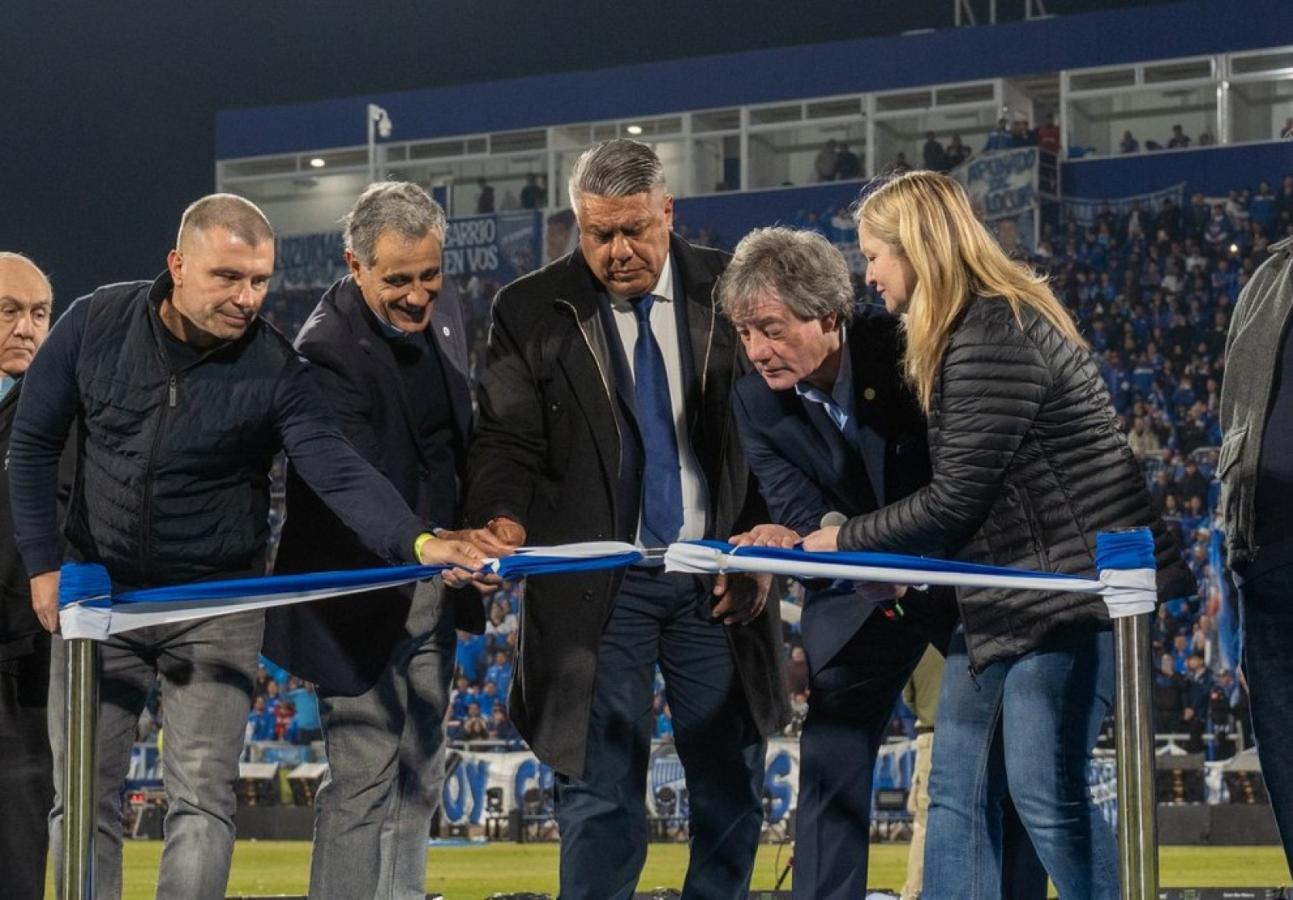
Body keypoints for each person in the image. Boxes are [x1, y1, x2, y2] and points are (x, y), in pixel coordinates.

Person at [9, 194, 483, 900]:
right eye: (228, 277)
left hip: (216, 601)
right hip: (101, 594)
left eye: (260, 280)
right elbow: (33, 443)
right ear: (178, 265)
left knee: (202, 801)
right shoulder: (95, 322)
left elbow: (335, 464)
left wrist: (414, 539)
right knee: (82, 799)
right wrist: (44, 566)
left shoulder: (277, 367)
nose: (247, 297)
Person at [802, 171, 1189, 898]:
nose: (868, 276)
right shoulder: (973, 327)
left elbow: (955, 500)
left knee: (1045, 794)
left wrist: (846, 538)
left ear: (917, 247)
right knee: (956, 792)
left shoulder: (989, 331)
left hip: (1062, 599)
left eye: (874, 255)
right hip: (1005, 600)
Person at [465, 139, 787, 899]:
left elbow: (779, 427)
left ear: (667, 212)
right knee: (600, 796)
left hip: (716, 576)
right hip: (597, 585)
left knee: (730, 785)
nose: (616, 252)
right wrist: (502, 519)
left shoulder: (731, 289)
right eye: (597, 233)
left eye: (633, 230)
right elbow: (506, 441)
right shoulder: (528, 309)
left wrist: (764, 548)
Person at [261, 181, 491, 900]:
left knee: (421, 773)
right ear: (354, 265)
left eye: (431, 275)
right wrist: (432, 543)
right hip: (361, 593)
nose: (419, 297)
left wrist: (478, 533)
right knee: (362, 782)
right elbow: (355, 484)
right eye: (398, 281)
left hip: (434, 587)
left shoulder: (442, 312)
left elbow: (452, 448)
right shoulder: (324, 353)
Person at [717, 226, 956, 898]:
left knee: (970, 767)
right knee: (828, 761)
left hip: (955, 580)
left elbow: (952, 483)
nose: (756, 352)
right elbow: (798, 510)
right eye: (744, 333)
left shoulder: (906, 348)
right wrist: (795, 535)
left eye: (771, 329)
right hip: (856, 595)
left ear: (827, 315)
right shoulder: (753, 400)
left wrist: (840, 535)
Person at [1218, 232, 1293, 869]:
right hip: (1267, 563)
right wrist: (1238, 560)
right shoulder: (1269, 277)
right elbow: (1235, 426)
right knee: (1285, 758)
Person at [0, 253, 56, 900]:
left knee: (16, 853)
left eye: (39, 313)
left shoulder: (64, 412)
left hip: (26, 666)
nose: (27, 327)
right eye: (10, 311)